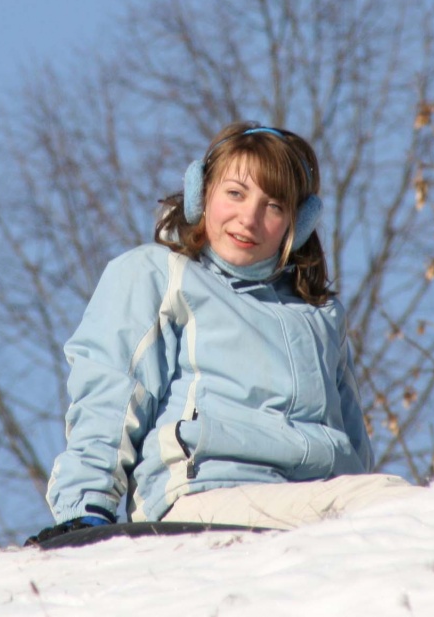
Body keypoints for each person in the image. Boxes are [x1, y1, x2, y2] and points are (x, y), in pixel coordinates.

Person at [37, 122, 413, 541]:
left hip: (316, 501)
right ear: (202, 194)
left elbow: (352, 441)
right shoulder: (158, 275)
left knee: (407, 515)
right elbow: (111, 392)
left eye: (274, 206)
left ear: (297, 223)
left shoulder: (320, 316)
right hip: (205, 493)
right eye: (235, 193)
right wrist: (87, 509)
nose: (249, 218)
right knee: (399, 508)